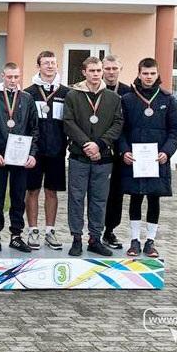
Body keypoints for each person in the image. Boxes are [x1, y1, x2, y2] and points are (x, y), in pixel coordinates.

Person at [118, 58, 177, 257]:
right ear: (139, 74)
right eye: (145, 73)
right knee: (136, 198)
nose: (148, 77)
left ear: (157, 75)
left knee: (154, 199)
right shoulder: (127, 99)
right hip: (134, 160)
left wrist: (167, 151)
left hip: (158, 160)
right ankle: (135, 240)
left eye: (152, 73)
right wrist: (123, 151)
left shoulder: (167, 99)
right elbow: (119, 130)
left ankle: (150, 242)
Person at [63, 56, 123, 257]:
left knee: (99, 200)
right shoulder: (73, 95)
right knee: (76, 198)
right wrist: (86, 144)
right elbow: (68, 122)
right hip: (79, 157)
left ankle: (95, 239)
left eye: (99, 71)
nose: (96, 74)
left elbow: (117, 124)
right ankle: (77, 238)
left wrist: (99, 144)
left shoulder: (113, 98)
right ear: (84, 72)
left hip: (103, 158)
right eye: (92, 71)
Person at [0, 62, 38, 252]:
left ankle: (16, 235)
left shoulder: (28, 99)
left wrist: (31, 154)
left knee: (18, 196)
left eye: (16, 77)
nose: (13, 80)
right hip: (0, 158)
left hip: (21, 159)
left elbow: (34, 129)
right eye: (9, 77)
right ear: (3, 76)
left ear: (20, 77)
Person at [23, 51, 68, 250]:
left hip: (57, 151)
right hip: (34, 152)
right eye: (45, 63)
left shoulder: (66, 93)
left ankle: (50, 230)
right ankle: (33, 230)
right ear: (38, 66)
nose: (50, 66)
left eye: (53, 63)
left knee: (52, 191)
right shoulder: (29, 93)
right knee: (32, 190)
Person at [101, 55, 133, 250]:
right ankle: (93, 231)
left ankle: (110, 230)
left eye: (114, 68)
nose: (111, 72)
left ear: (120, 69)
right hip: (100, 148)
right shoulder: (93, 90)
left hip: (120, 151)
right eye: (107, 68)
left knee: (116, 193)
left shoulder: (128, 93)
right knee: (97, 193)